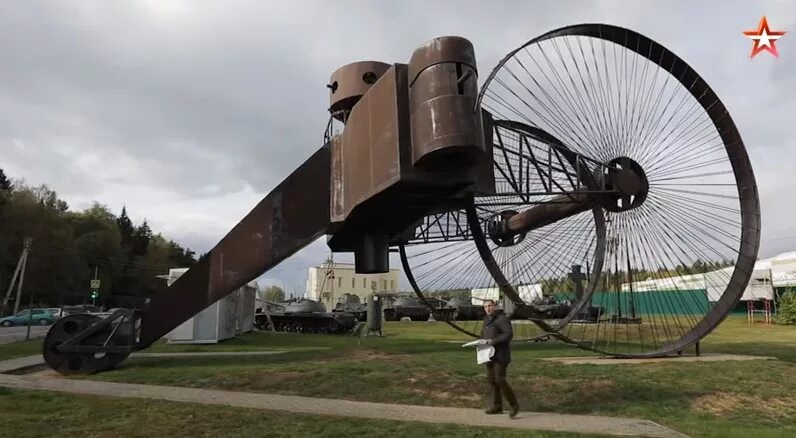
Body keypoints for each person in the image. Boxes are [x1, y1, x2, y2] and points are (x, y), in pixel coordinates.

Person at [480, 299, 519, 418]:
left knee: (500, 379)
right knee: (492, 380)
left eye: (490, 306)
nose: (488, 308)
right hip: (489, 355)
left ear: (495, 306)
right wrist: (480, 343)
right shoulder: (486, 320)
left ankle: (514, 405)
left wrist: (492, 341)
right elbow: (483, 334)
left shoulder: (502, 319)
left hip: (501, 355)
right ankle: (497, 406)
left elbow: (508, 334)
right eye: (485, 306)